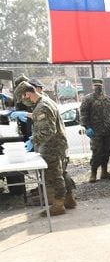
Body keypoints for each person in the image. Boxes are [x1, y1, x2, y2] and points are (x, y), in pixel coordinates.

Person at [21, 83, 77, 215]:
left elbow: (48, 131)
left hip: (52, 146)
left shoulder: (42, 106)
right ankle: (69, 200)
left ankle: (58, 205)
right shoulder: (45, 101)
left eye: (23, 97)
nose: (23, 101)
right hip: (58, 144)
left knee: (54, 175)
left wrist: (33, 140)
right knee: (62, 172)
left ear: (28, 93)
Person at [80, 78, 110, 183]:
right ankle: (93, 173)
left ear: (103, 86)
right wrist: (87, 127)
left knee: (106, 152)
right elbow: (83, 115)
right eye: (96, 86)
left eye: (99, 86)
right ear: (92, 87)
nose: (98, 88)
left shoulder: (108, 100)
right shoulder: (87, 99)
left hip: (107, 131)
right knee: (96, 152)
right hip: (95, 132)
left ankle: (104, 172)